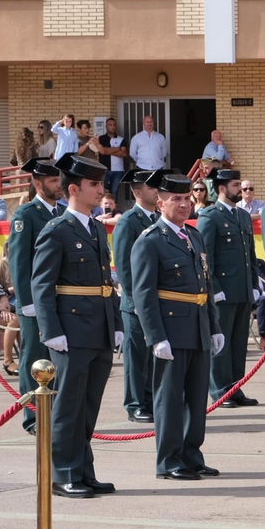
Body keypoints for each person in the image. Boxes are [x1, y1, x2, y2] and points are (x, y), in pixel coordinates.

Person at [31, 153, 123, 499]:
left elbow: (104, 280)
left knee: (88, 405)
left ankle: (84, 470)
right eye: (94, 185)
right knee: (68, 405)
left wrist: (114, 322)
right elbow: (42, 284)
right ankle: (63, 473)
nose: (101, 190)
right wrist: (50, 329)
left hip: (97, 325)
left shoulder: (97, 226)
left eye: (101, 183)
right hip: (70, 329)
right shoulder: (57, 230)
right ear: (74, 188)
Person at [131, 172, 224, 481]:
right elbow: (143, 293)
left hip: (197, 326)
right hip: (171, 329)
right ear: (160, 204)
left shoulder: (193, 235)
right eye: (176, 200)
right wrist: (155, 336)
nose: (184, 204)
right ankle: (169, 460)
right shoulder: (151, 240)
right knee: (170, 398)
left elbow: (205, 285)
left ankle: (191, 455)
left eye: (187, 199)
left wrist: (214, 326)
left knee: (197, 398)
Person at [8, 157, 64, 433]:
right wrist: (26, 301)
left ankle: (51, 413)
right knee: (34, 357)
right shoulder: (26, 215)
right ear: (37, 183)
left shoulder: (60, 213)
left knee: (54, 359)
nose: (59, 185)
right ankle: (33, 417)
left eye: (59, 180)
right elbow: (19, 262)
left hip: (58, 299)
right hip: (34, 302)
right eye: (53, 181)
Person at [201, 169, 261, 408]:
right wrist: (213, 287)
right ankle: (218, 390)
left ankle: (236, 388)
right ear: (222, 188)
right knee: (221, 342)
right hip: (222, 291)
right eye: (236, 185)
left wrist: (254, 285)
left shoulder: (243, 216)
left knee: (238, 344)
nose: (240, 189)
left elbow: (251, 255)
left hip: (242, 290)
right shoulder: (210, 216)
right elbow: (206, 258)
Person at [114, 170, 161, 425]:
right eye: (150, 186)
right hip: (137, 304)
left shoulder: (158, 219)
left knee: (154, 356)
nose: (156, 190)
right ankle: (135, 404)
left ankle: (151, 400)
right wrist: (137, 303)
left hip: (158, 301)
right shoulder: (128, 221)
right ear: (137, 192)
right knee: (136, 357)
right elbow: (124, 267)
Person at [97, 117, 129, 199]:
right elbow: (102, 152)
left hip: (118, 170)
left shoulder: (121, 139)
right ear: (106, 126)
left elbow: (124, 153)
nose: (113, 127)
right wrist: (117, 148)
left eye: (114, 125)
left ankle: (114, 210)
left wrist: (108, 150)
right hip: (104, 169)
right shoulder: (101, 139)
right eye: (110, 125)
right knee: (103, 191)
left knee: (115, 192)